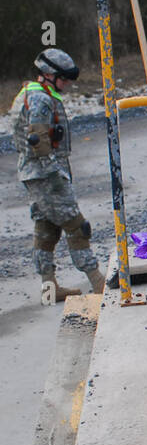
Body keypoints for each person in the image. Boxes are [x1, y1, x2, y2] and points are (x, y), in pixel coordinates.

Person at [13, 49, 105, 299]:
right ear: (49, 75)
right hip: (46, 175)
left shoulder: (31, 93)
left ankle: (49, 289)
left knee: (46, 228)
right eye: (64, 78)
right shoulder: (41, 99)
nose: (67, 84)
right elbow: (38, 140)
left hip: (34, 174)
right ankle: (98, 282)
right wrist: (55, 175)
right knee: (77, 226)